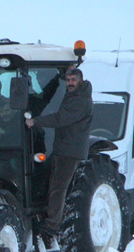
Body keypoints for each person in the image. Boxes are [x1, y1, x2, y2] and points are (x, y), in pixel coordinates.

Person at [25, 68, 93, 237]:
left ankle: (52, 226)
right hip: (62, 148)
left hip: (70, 151)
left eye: (73, 80)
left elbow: (60, 119)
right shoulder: (73, 95)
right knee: (53, 183)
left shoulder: (80, 100)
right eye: (68, 80)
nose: (70, 83)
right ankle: (46, 216)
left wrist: (35, 121)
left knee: (58, 187)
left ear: (81, 81)